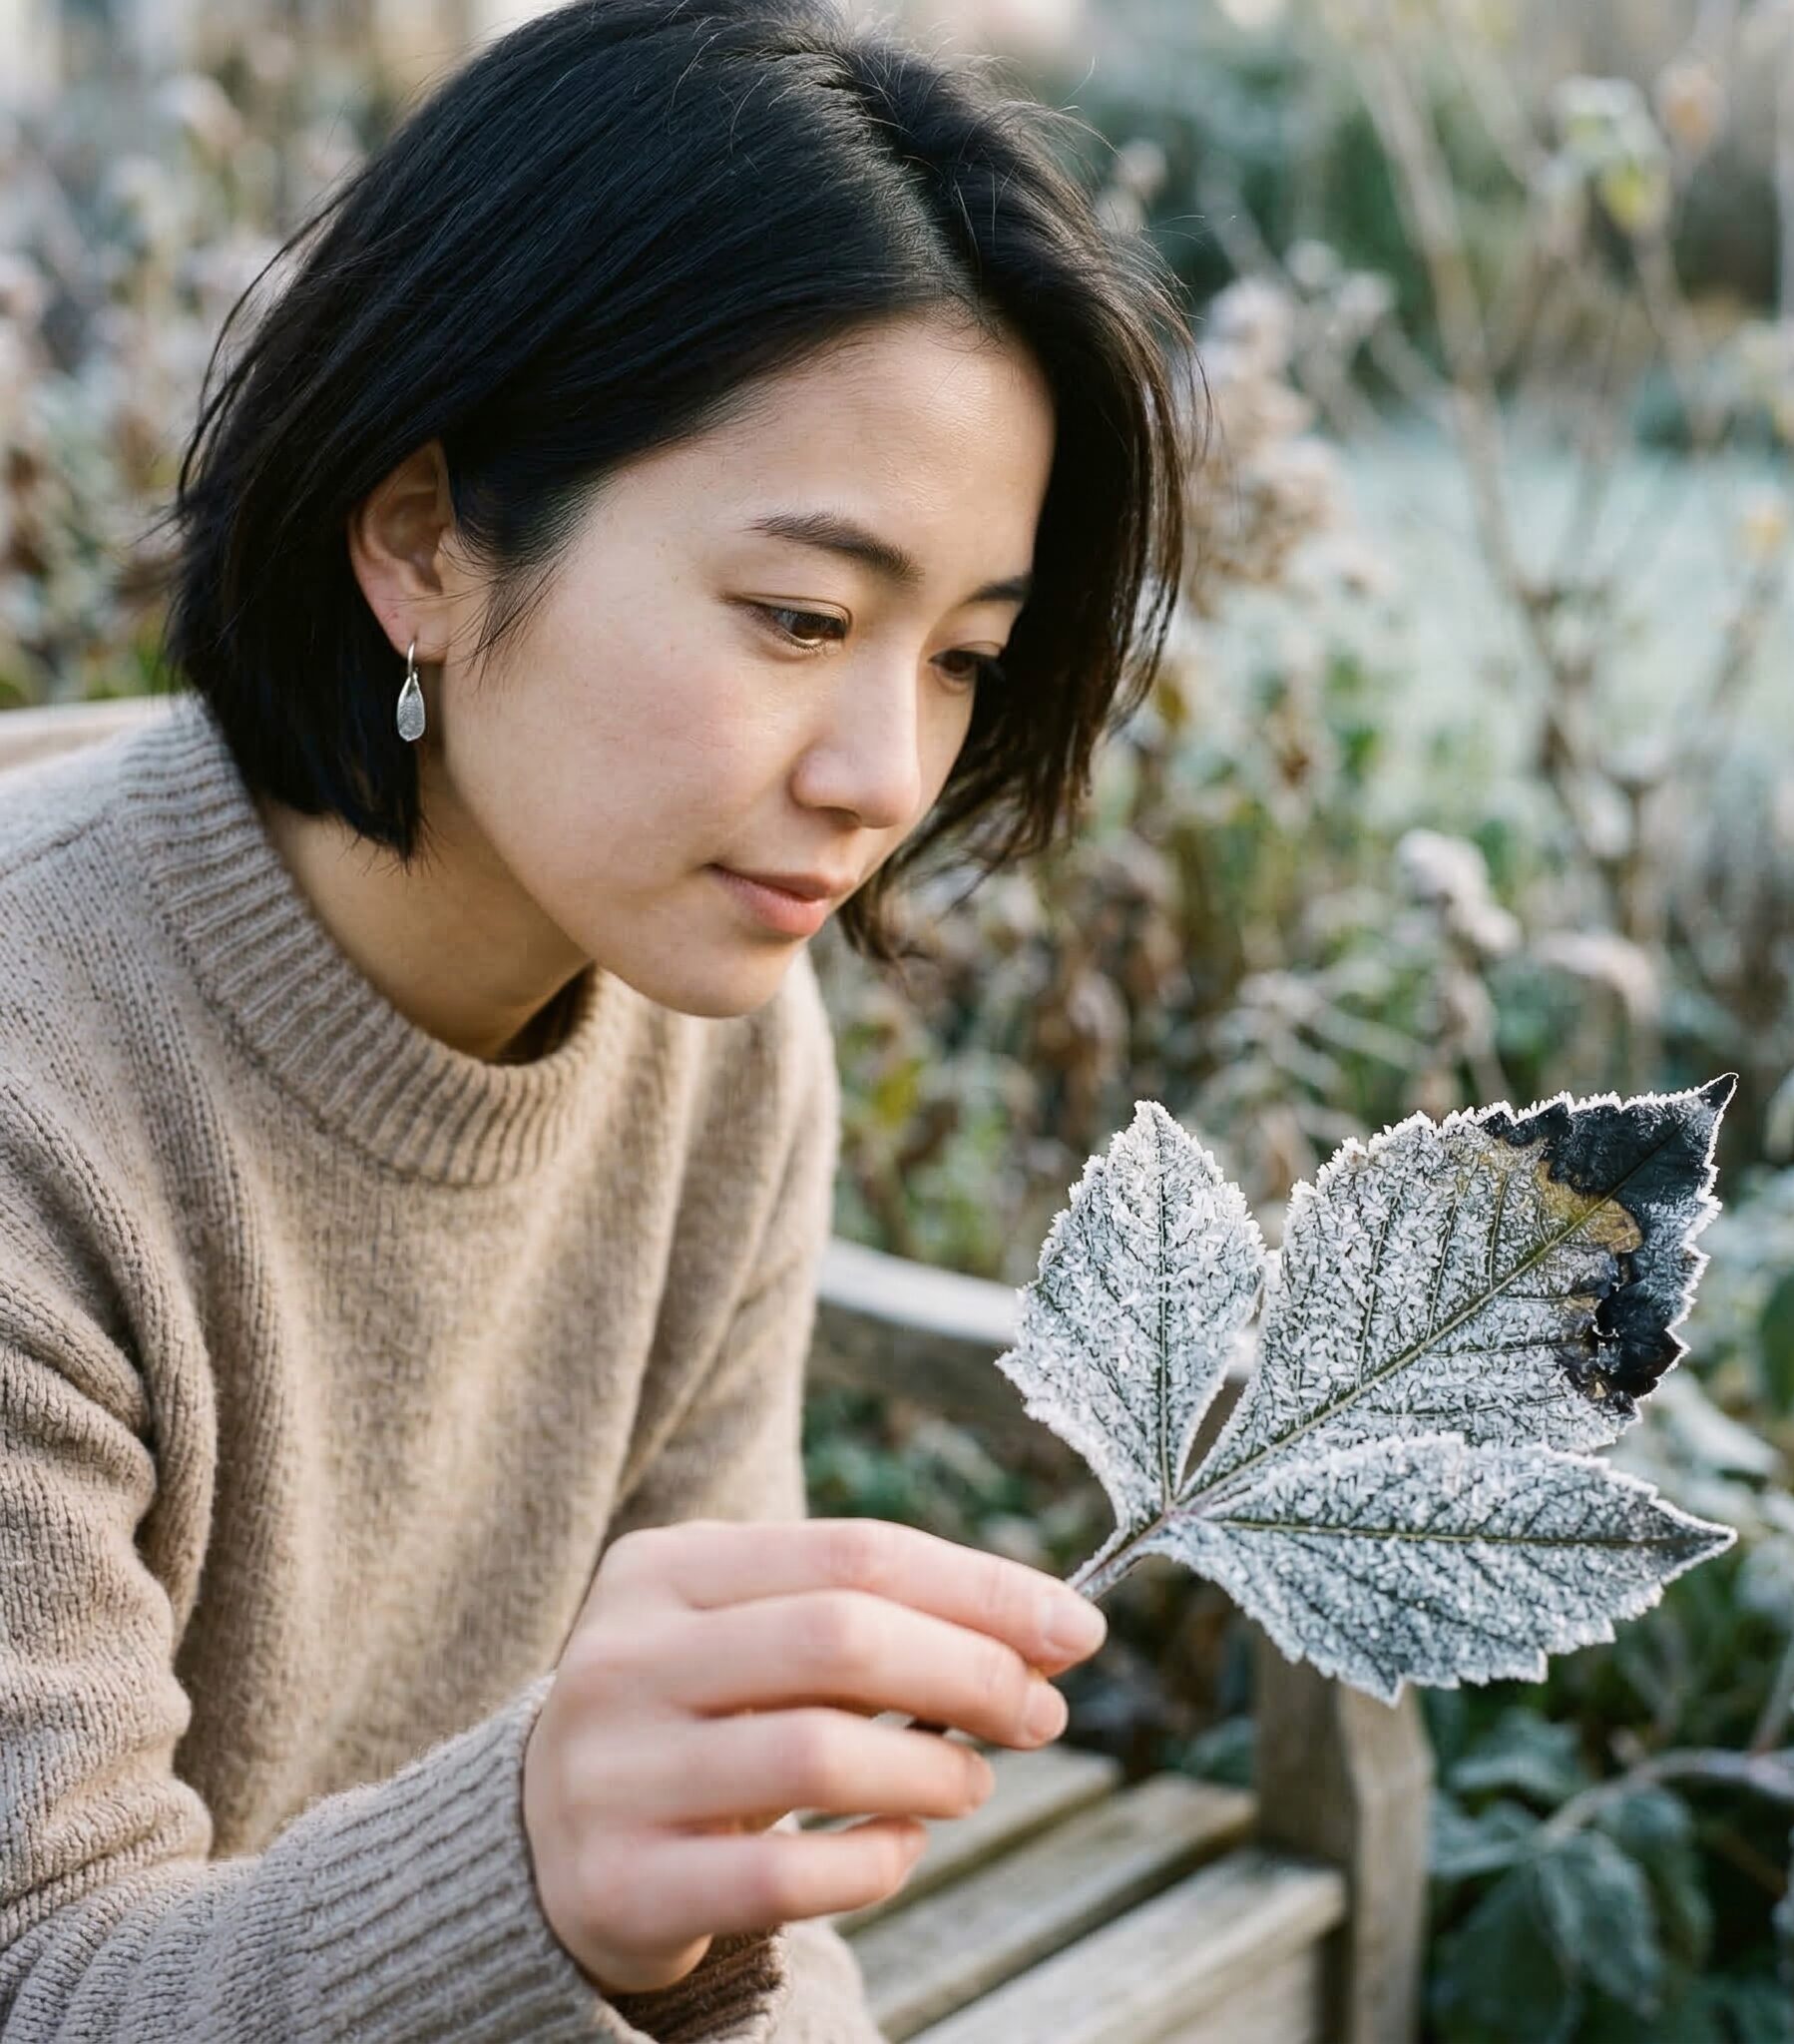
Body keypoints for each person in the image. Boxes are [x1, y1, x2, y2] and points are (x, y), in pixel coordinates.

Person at [0, 1, 1197, 2036]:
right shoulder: (46, 1091)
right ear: (422, 540)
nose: (881, 774)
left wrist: (687, 1907)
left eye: (963, 658)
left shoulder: (717, 1030)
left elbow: (745, 1881)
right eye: (803, 616)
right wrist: (534, 1865)